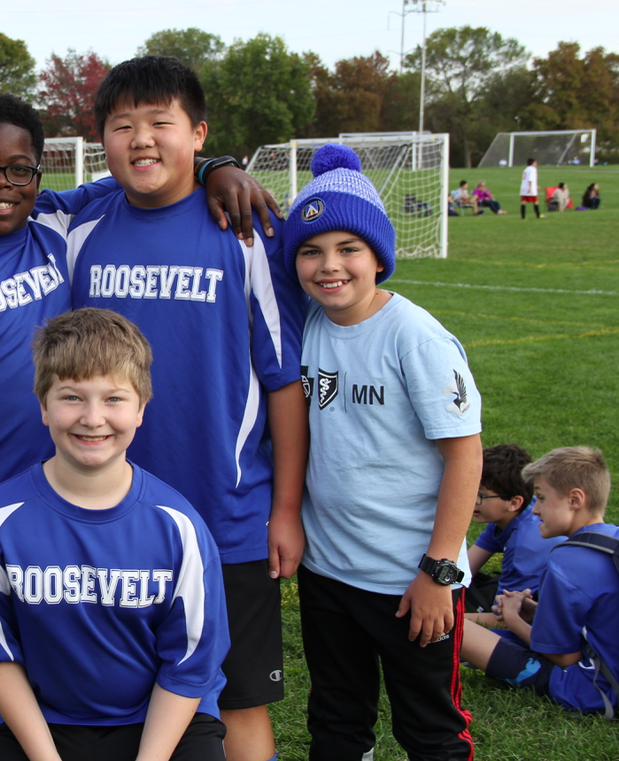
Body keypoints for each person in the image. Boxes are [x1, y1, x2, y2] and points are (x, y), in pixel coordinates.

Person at [0, 90, 281, 761]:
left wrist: (217, 165)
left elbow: (150, 165)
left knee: (39, 654)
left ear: (40, 180)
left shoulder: (54, 228)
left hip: (52, 504)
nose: (1, 184)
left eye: (19, 171)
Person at [34, 56, 307, 761]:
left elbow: (282, 380)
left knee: (238, 700)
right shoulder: (80, 225)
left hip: (228, 515)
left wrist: (282, 509)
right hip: (108, 512)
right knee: (128, 694)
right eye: (122, 126)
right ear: (102, 142)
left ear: (198, 132)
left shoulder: (245, 232)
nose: (142, 140)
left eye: (161, 123)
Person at [0, 308, 230, 761]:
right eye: (72, 397)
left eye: (114, 399)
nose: (93, 418)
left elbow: (190, 664)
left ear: (141, 408)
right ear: (43, 405)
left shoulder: (179, 527)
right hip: (45, 723)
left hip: (164, 720)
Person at [283, 143, 483, 761]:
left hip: (410, 581)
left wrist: (438, 573)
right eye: (311, 251)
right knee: (338, 723)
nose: (328, 266)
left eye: (348, 249)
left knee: (429, 730)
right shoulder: (310, 326)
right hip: (330, 575)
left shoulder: (415, 337)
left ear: (379, 256)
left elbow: (465, 457)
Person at [460, 447, 619, 717]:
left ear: (575, 499)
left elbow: (564, 658)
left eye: (542, 499)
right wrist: (535, 611)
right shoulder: (612, 537)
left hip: (592, 689)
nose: (535, 510)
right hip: (601, 662)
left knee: (455, 630)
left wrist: (513, 619)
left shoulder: (566, 562)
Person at [466, 444, 565, 626]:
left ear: (513, 502)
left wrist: (442, 616)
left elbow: (503, 619)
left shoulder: (523, 548)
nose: (470, 500)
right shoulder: (515, 512)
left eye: (480, 495)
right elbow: (464, 571)